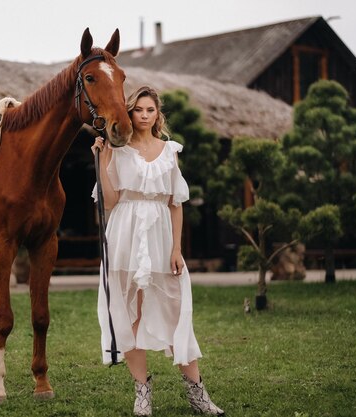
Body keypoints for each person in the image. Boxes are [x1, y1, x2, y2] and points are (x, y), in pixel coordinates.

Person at [91, 86, 224, 416]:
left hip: (162, 234)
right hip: (125, 232)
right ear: (130, 114)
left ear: (157, 114)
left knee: (177, 312)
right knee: (130, 313)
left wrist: (177, 249)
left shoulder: (169, 151)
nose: (145, 116)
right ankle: (142, 392)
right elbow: (108, 201)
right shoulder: (117, 151)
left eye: (150, 110)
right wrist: (102, 157)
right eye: (139, 110)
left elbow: (175, 204)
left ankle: (197, 392)